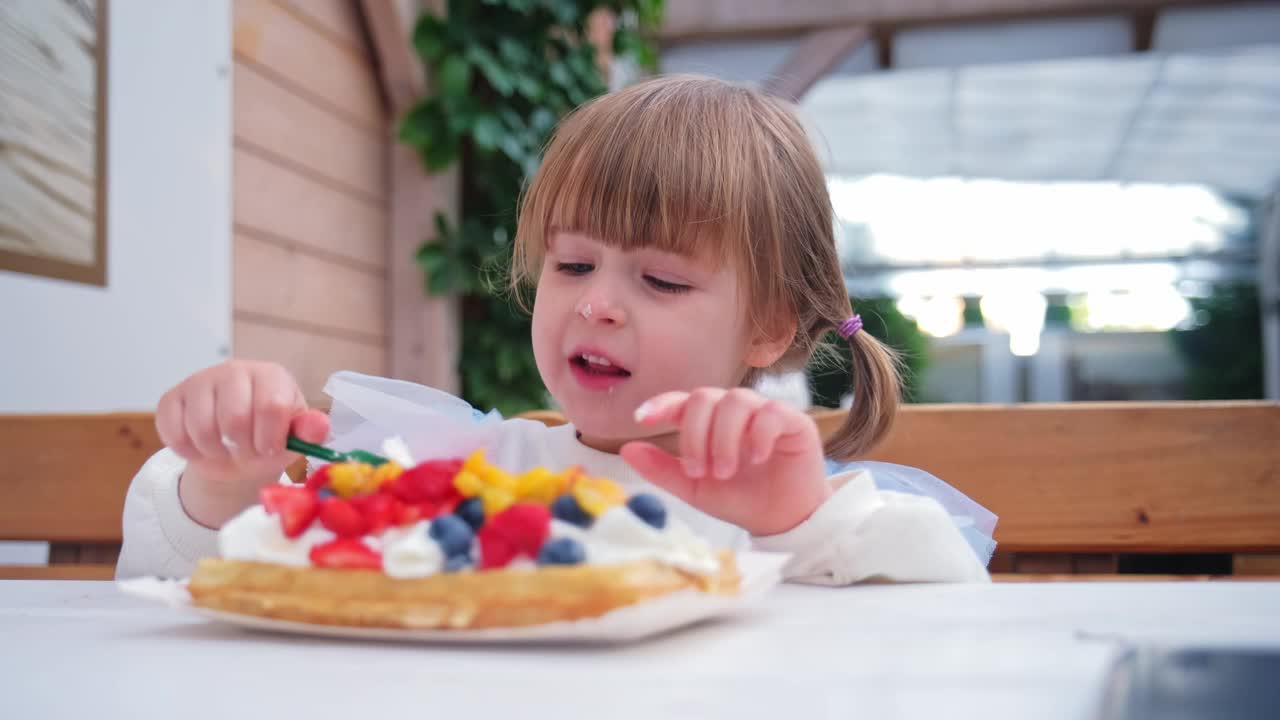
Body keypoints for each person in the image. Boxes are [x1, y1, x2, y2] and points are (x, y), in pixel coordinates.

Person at [117, 75, 995, 584]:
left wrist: (795, 526)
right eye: (573, 265)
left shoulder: (793, 498)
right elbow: (192, 581)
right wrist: (228, 482)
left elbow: (941, 632)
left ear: (767, 324)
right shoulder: (459, 474)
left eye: (659, 278)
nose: (597, 303)